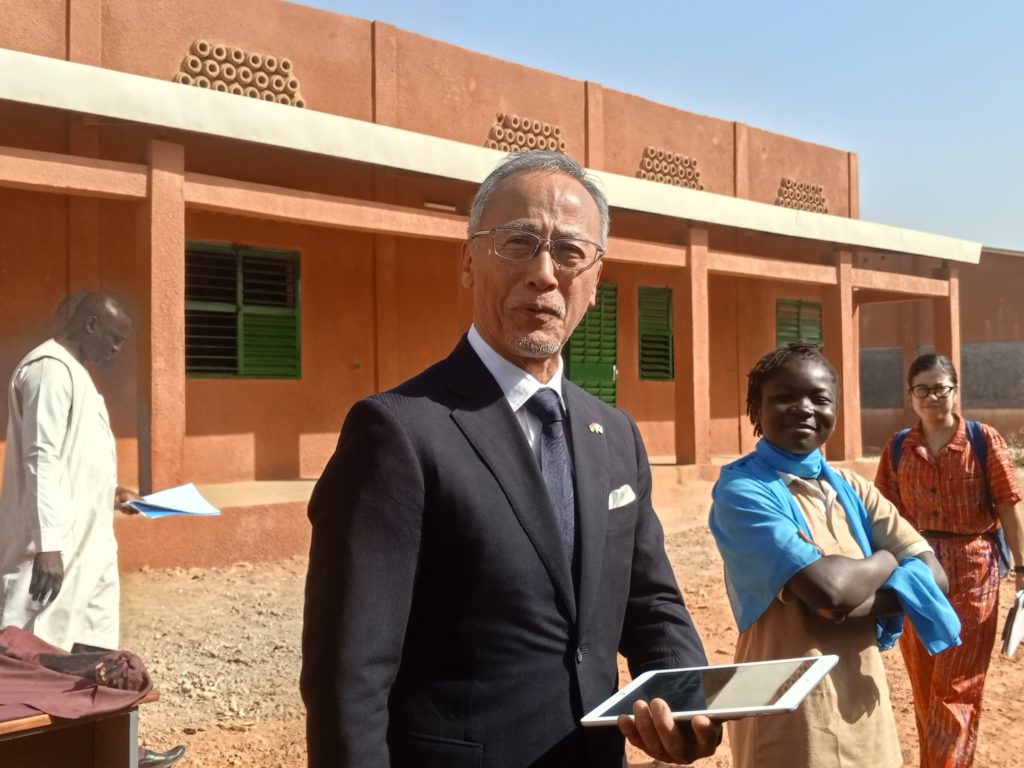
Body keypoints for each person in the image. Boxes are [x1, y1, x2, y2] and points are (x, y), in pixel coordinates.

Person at [301, 150, 721, 767]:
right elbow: (348, 679)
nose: (545, 274)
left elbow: (649, 603)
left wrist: (686, 701)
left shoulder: (616, 434)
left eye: (571, 252)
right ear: (468, 260)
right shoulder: (398, 431)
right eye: (517, 243)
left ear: (596, 278)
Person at [709, 342, 961, 768]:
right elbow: (829, 591)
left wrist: (852, 593)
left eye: (819, 398)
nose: (803, 408)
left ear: (836, 408)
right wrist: (890, 563)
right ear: (757, 406)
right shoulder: (742, 491)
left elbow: (936, 578)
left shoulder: (852, 488)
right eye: (784, 397)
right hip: (786, 708)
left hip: (862, 702)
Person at [0, 292, 185, 768]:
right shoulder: (49, 369)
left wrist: (115, 493)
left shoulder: (76, 377)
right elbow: (40, 457)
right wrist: (48, 545)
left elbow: (73, 463)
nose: (118, 351)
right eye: (115, 340)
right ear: (89, 326)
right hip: (55, 550)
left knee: (95, 648)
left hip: (89, 547)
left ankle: (117, 750)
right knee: (38, 653)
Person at [874, 353, 1024, 767]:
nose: (932, 396)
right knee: (924, 690)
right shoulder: (899, 447)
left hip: (975, 574)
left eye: (940, 387)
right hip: (917, 576)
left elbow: (1009, 506)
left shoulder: (983, 439)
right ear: (911, 397)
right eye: (922, 389)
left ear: (955, 392)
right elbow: (884, 514)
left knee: (955, 688)